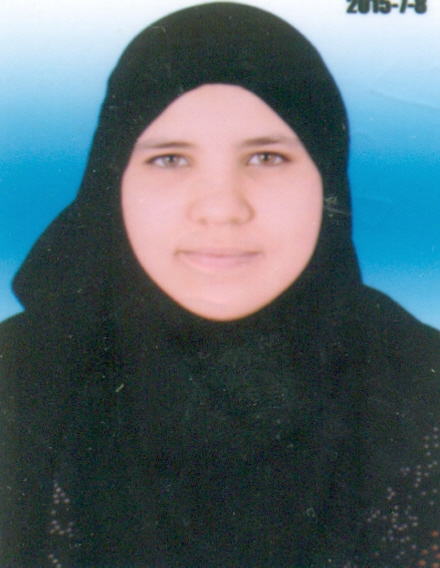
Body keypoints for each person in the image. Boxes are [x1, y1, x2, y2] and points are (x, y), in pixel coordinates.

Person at [1, 2, 439, 566]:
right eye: (170, 159)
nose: (222, 208)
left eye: (266, 156)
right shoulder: (19, 383)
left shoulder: (423, 391)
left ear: (327, 178)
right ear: (112, 182)